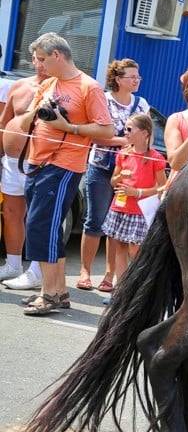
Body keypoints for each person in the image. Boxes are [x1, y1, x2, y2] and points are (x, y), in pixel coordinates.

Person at [14, 33, 114, 315]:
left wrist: (68, 127)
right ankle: (58, 291)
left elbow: (107, 131)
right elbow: (22, 125)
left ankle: (47, 295)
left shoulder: (88, 87)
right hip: (37, 162)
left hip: (64, 166)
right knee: (47, 228)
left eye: (44, 59)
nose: (40, 65)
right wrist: (36, 112)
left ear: (57, 55)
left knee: (40, 227)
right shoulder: (47, 84)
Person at [76, 58, 150, 293]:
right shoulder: (103, 100)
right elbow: (94, 135)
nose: (137, 80)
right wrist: (121, 141)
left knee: (116, 224)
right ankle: (85, 271)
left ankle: (109, 275)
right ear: (118, 80)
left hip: (129, 171)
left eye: (138, 76)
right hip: (101, 166)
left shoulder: (141, 104)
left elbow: (146, 136)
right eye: (132, 77)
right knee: (95, 220)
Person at [0, 43, 47, 290]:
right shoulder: (18, 86)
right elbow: (4, 121)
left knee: (37, 218)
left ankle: (36, 270)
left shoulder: (59, 89)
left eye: (45, 58)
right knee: (11, 213)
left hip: (39, 164)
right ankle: (13, 263)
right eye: (37, 58)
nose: (41, 63)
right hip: (9, 161)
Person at [101, 112, 166, 283]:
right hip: (120, 207)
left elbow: (162, 187)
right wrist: (121, 176)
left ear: (144, 133)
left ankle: (136, 285)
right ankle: (121, 288)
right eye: (125, 128)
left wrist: (137, 192)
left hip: (139, 211)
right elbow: (113, 182)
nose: (125, 132)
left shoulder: (155, 158)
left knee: (135, 250)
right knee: (120, 247)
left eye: (129, 129)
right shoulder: (123, 154)